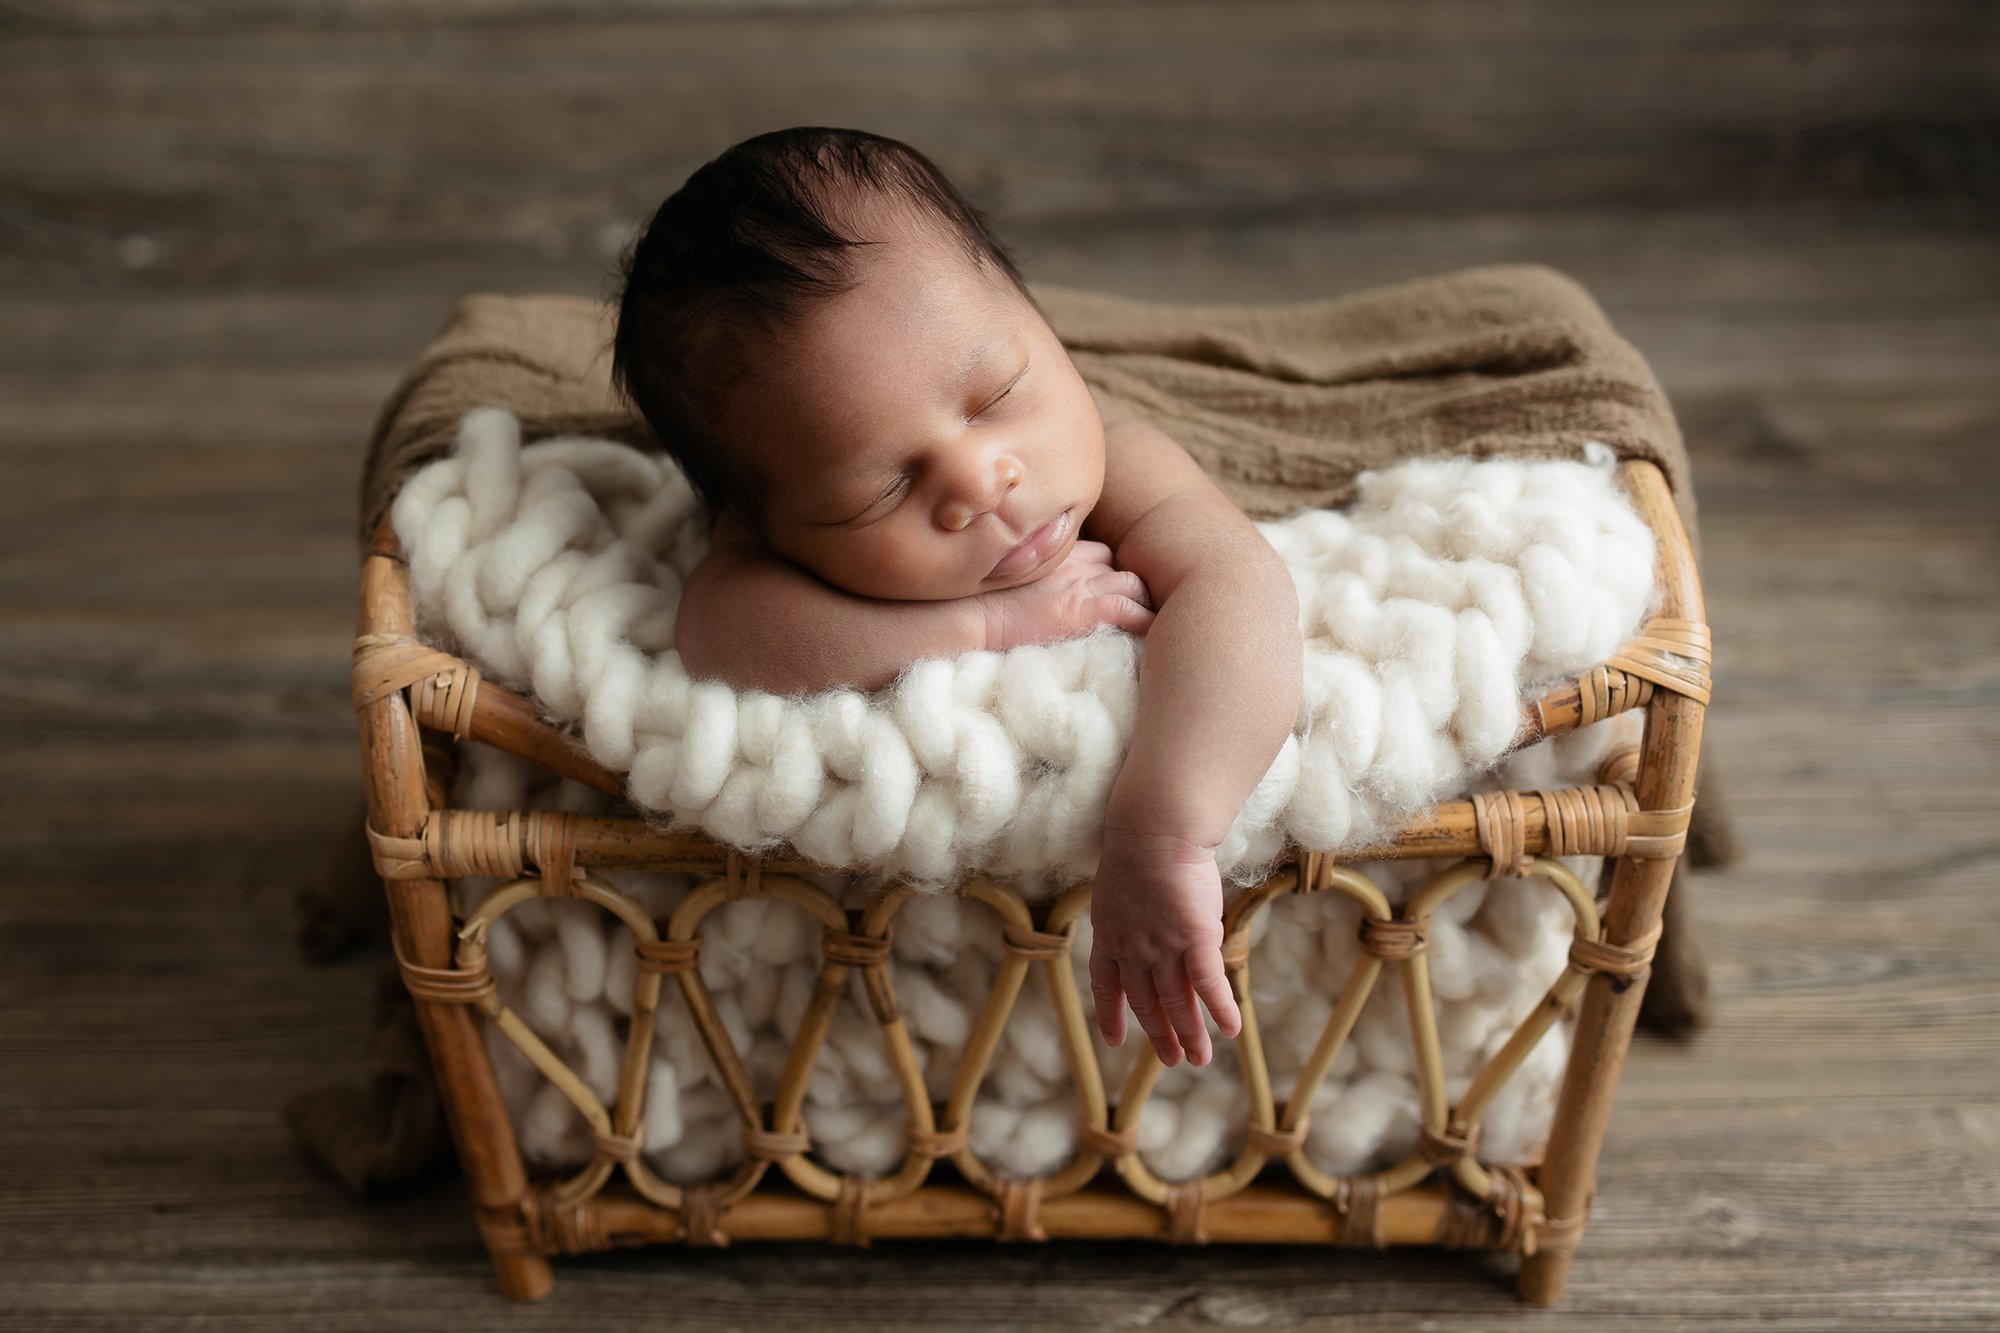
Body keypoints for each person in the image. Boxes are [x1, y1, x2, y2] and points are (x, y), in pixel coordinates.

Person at [611, 127, 1302, 1071]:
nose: (981, 480)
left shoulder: (1123, 467)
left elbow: (1243, 590)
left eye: (997, 393)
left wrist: (1166, 832)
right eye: (880, 491)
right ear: (758, 521)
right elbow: (718, 630)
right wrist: (983, 623)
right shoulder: (760, 549)